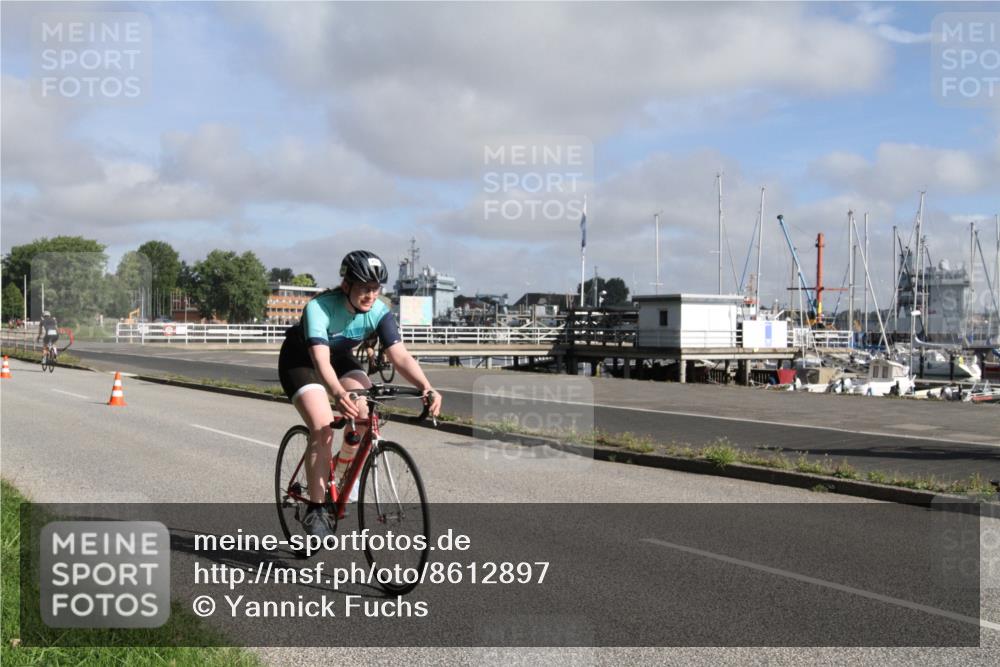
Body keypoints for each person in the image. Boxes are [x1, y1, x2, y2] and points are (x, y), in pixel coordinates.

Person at [277, 250, 442, 538]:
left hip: (339, 357)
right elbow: (319, 362)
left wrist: (426, 387)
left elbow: (400, 357)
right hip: (301, 361)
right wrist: (338, 392)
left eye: (376, 288)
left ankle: (341, 473)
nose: (371, 294)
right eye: (364, 287)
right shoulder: (320, 307)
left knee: (365, 412)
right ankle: (315, 510)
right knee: (323, 427)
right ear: (347, 286)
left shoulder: (379, 311)